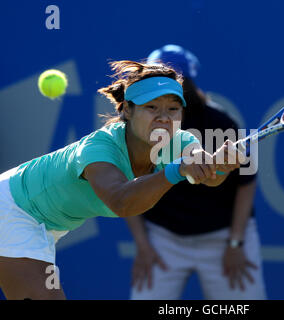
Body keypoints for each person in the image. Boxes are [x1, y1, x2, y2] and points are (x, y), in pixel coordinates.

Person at [0, 60, 240, 300]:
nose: (164, 118)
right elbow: (122, 201)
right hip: (13, 209)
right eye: (152, 107)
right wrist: (176, 170)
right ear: (127, 110)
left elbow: (207, 174)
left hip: (46, 223)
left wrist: (219, 166)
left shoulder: (181, 141)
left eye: (173, 109)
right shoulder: (99, 148)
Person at [126, 45, 266, 300]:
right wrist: (143, 244)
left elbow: (246, 185)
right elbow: (127, 186)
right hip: (163, 238)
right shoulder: (139, 127)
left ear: (187, 81)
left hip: (223, 237)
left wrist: (235, 243)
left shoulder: (222, 123)